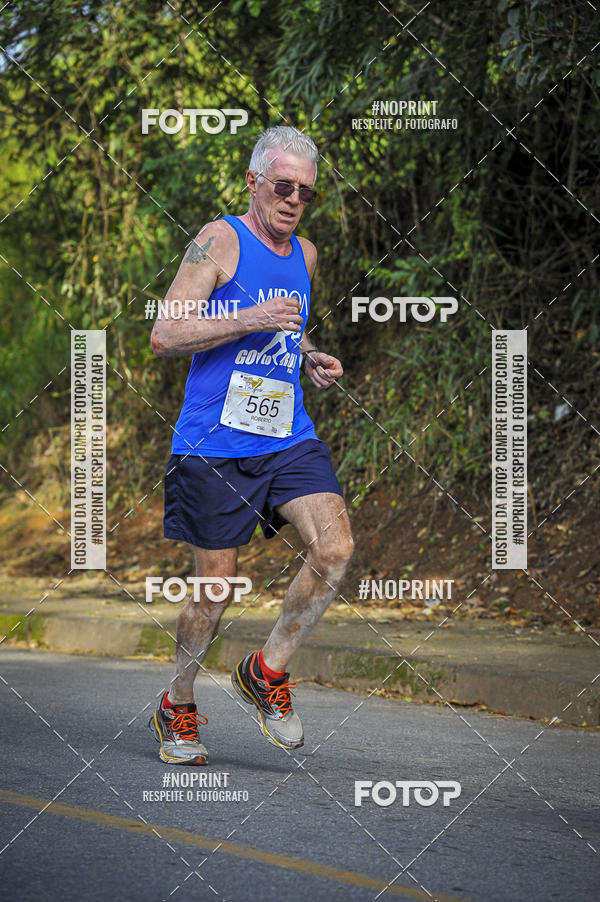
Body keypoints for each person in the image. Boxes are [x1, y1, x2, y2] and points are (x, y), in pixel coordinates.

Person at [149, 125, 353, 765]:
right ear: (253, 183)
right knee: (216, 590)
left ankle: (266, 671)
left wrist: (311, 356)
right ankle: (177, 700)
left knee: (336, 546)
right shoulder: (219, 239)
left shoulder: (307, 255)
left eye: (306, 192)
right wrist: (248, 319)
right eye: (283, 185)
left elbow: (283, 335)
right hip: (215, 441)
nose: (294, 200)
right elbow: (165, 333)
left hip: (284, 432)